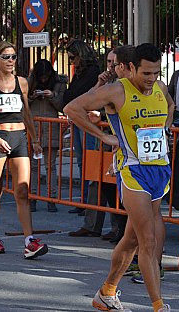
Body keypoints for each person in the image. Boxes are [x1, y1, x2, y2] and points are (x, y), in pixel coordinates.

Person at [64, 43, 174, 312]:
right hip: (133, 172)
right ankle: (159, 306)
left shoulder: (159, 88)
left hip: (159, 169)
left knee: (132, 239)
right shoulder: (117, 91)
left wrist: (165, 130)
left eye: (156, 73)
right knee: (148, 241)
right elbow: (72, 108)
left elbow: (170, 106)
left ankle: (107, 292)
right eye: (146, 73)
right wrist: (103, 136)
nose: (151, 79)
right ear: (132, 68)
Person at [0, 41, 47, 259]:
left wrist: (34, 139)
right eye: (6, 57)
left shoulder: (22, 83)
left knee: (23, 190)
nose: (10, 61)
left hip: (19, 138)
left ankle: (29, 241)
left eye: (13, 57)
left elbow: (26, 113)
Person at [70, 48, 120, 237]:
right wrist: (99, 82)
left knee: (114, 182)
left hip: (115, 137)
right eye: (108, 62)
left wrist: (102, 115)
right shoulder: (105, 82)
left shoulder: (124, 84)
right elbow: (86, 101)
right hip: (102, 136)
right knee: (95, 179)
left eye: (114, 63)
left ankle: (117, 228)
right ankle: (91, 224)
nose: (111, 67)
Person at [62, 39, 102, 214]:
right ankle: (85, 199)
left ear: (80, 55)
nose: (71, 62)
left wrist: (73, 99)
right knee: (81, 160)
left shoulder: (93, 71)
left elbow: (80, 95)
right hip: (78, 119)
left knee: (90, 160)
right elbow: (69, 96)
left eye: (72, 58)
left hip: (88, 120)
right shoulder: (79, 72)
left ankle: (91, 201)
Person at [28, 59, 66, 213]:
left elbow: (62, 105)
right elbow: (23, 103)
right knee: (33, 166)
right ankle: (33, 197)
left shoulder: (59, 83)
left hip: (51, 128)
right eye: (41, 77)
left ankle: (52, 198)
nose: (43, 80)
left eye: (46, 77)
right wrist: (32, 96)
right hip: (34, 128)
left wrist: (52, 95)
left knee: (51, 166)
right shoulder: (30, 82)